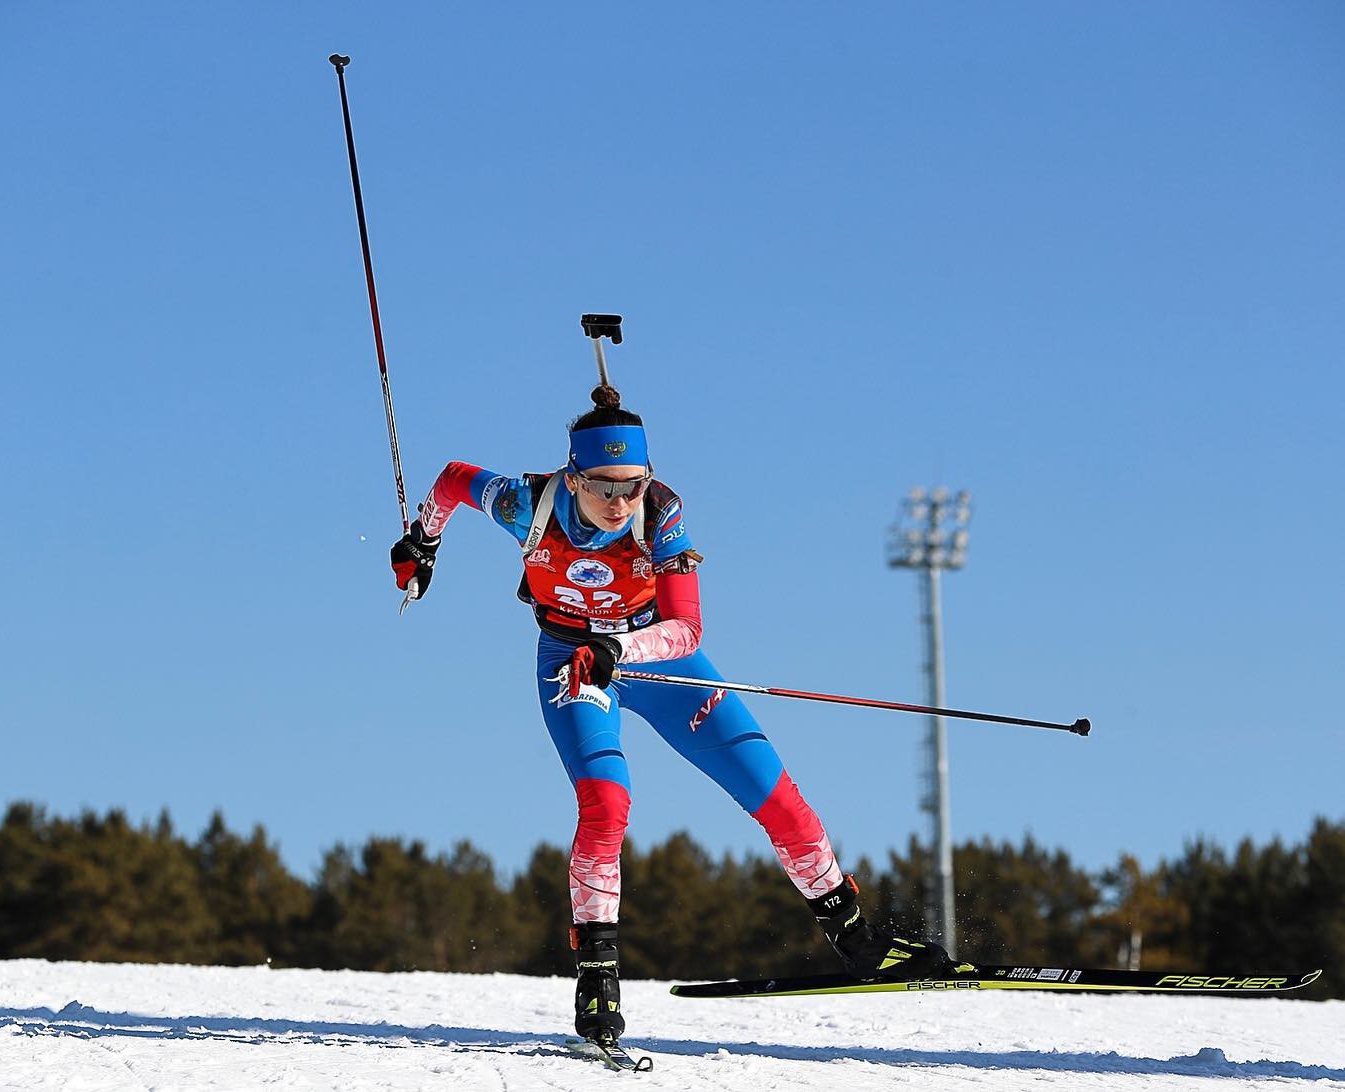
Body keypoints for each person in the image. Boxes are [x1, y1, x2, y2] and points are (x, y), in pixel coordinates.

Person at [391, 384, 953, 1044]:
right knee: (606, 803)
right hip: (572, 663)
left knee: (778, 798)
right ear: (573, 478)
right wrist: (422, 539)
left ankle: (856, 940)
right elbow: (455, 479)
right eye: (604, 487)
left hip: (658, 660)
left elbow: (686, 629)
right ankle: (597, 976)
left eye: (633, 486)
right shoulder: (525, 504)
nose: (619, 503)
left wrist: (618, 647)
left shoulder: (660, 514)